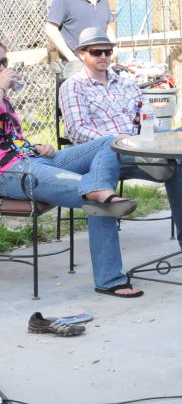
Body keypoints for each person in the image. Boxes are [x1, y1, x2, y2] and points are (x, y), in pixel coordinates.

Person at [59, 27, 182, 268]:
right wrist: (114, 139)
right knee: (178, 161)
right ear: (81, 54)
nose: (103, 56)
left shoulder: (126, 81)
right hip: (105, 155)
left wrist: (146, 123)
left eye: (107, 51)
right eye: (96, 52)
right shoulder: (73, 86)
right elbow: (77, 131)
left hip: (141, 146)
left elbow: (150, 118)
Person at [1, 41, 143, 297]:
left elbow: (9, 139)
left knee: (108, 143)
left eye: (3, 62)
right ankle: (110, 279)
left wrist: (37, 146)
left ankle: (98, 187)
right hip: (9, 172)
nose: (2, 68)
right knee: (97, 198)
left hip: (32, 158)